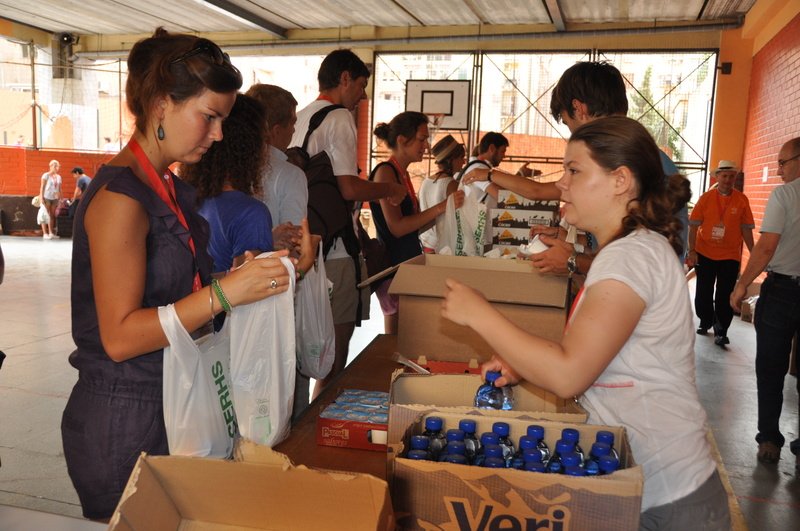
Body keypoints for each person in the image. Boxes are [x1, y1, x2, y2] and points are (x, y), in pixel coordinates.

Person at [442, 116, 730, 529]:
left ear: (620, 180)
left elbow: (570, 373)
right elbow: (593, 353)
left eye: (574, 171)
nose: (561, 184)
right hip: (649, 485)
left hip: (669, 496)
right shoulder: (632, 249)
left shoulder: (629, 256)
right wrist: (522, 362)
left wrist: (479, 313)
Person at [61, 29, 292, 520]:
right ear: (162, 104)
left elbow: (169, 295)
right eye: (209, 117)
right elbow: (120, 336)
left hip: (176, 395)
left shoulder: (166, 188)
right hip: (127, 415)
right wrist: (224, 295)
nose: (219, 135)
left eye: (223, 121)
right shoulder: (122, 199)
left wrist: (246, 277)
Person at [289, 49, 406, 398]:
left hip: (303, 244)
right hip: (335, 250)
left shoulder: (300, 118)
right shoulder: (339, 117)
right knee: (333, 358)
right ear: (343, 79)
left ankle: (302, 422)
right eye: (360, 85)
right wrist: (389, 187)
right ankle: (318, 429)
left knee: (304, 352)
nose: (363, 96)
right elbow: (348, 186)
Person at [527, 61, 688, 277]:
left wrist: (574, 261)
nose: (562, 184)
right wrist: (573, 245)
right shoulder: (642, 158)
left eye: (575, 171)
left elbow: (634, 271)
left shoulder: (636, 163)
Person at [731, 137, 800, 469]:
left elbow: (766, 247)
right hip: (785, 289)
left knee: (771, 366)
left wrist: (742, 284)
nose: (779, 170)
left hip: (783, 291)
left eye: (783, 163)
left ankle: (770, 438)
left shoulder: (785, 195)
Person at [369, 112, 464, 333]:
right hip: (393, 268)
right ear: (402, 140)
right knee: (395, 339)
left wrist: (446, 211)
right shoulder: (385, 172)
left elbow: (415, 226)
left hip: (407, 264)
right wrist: (440, 207)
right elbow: (398, 228)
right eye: (422, 139)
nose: (427, 146)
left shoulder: (402, 175)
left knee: (408, 336)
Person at [687, 160, 754, 347]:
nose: (728, 180)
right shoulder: (706, 199)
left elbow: (746, 228)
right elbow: (693, 227)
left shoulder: (741, 200)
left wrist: (754, 252)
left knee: (725, 294)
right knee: (703, 292)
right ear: (717, 177)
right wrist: (692, 250)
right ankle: (705, 320)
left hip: (730, 255)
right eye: (724, 176)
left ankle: (722, 330)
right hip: (705, 252)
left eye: (731, 177)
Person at [418, 134, 465, 253]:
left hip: (425, 243)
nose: (464, 162)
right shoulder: (452, 184)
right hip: (443, 246)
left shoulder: (425, 182)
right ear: (451, 160)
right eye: (461, 157)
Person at [38, 159, 61, 239]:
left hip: (54, 198)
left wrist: (60, 199)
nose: (56, 168)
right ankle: (45, 234)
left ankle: (51, 233)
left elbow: (59, 188)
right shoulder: (46, 175)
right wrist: (41, 198)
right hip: (46, 197)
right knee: (45, 214)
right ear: (50, 166)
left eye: (57, 166)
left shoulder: (58, 177)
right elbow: (42, 187)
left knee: (52, 215)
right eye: (55, 166)